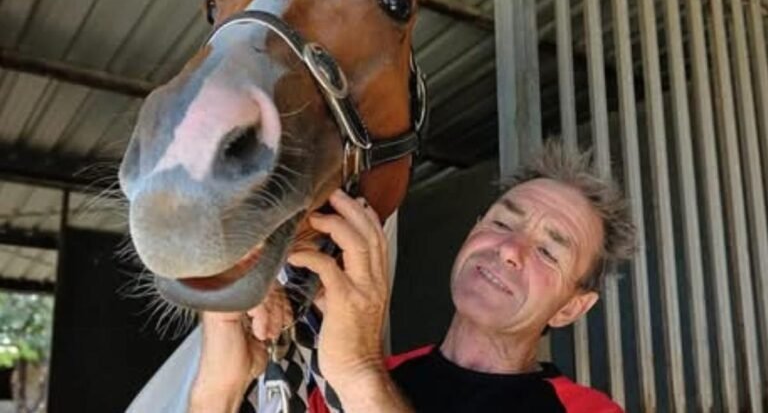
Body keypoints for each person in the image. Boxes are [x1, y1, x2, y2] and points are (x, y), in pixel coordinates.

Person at [189, 140, 634, 412]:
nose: (509, 250)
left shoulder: (585, 411)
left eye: (548, 251)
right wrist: (217, 390)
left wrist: (359, 374)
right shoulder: (370, 380)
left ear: (572, 307)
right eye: (502, 223)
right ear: (474, 231)